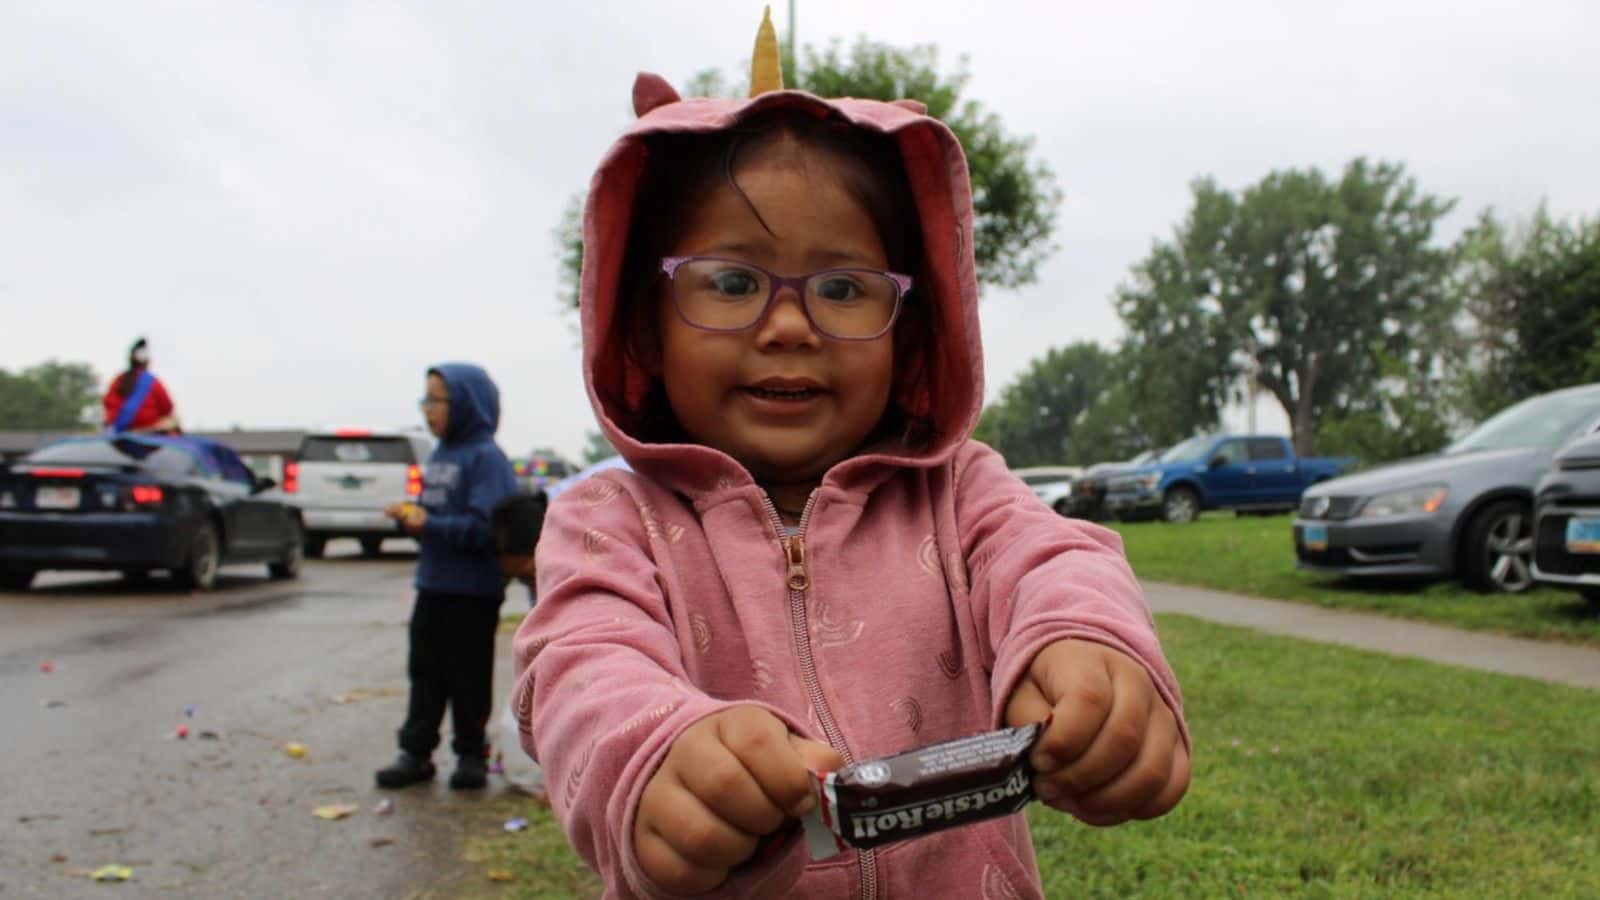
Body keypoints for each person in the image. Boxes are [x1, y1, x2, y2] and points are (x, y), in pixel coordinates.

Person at [511, 26, 1189, 899]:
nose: (789, 324)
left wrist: (1089, 646)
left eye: (842, 288)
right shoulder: (607, 523)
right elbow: (579, 663)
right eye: (729, 281)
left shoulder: (961, 493)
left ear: (908, 337)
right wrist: (656, 754)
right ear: (645, 326)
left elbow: (1054, 561)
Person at [376, 363, 520, 791]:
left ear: (466, 404)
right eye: (426, 399)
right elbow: (434, 520)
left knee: (468, 677)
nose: (427, 410)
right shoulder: (439, 456)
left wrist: (428, 524)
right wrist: (409, 521)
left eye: (436, 400)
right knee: (424, 672)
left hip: (472, 592)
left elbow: (485, 529)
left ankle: (471, 756)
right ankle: (416, 753)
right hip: (433, 585)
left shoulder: (486, 458)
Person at [102, 337, 180, 434]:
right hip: (147, 433)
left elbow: (107, 403)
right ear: (147, 362)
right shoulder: (154, 382)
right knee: (174, 421)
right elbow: (168, 407)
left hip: (117, 435)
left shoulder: (118, 379)